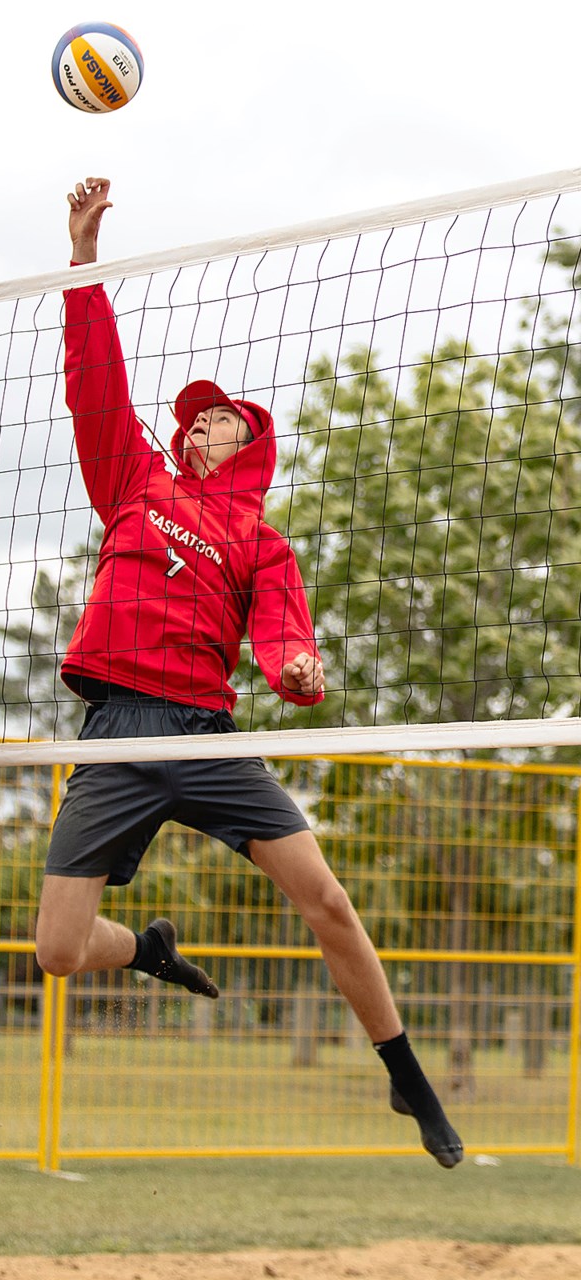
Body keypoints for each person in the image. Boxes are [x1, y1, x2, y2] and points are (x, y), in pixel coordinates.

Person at [34, 177, 462, 1170]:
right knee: (58, 949)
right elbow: (92, 378)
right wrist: (82, 259)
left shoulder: (260, 539)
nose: (198, 424)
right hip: (118, 726)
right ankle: (147, 949)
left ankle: (405, 1072)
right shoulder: (135, 481)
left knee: (327, 897)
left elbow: (284, 641)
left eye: (217, 417)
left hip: (206, 732)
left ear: (249, 438)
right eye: (190, 418)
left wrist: (302, 672)